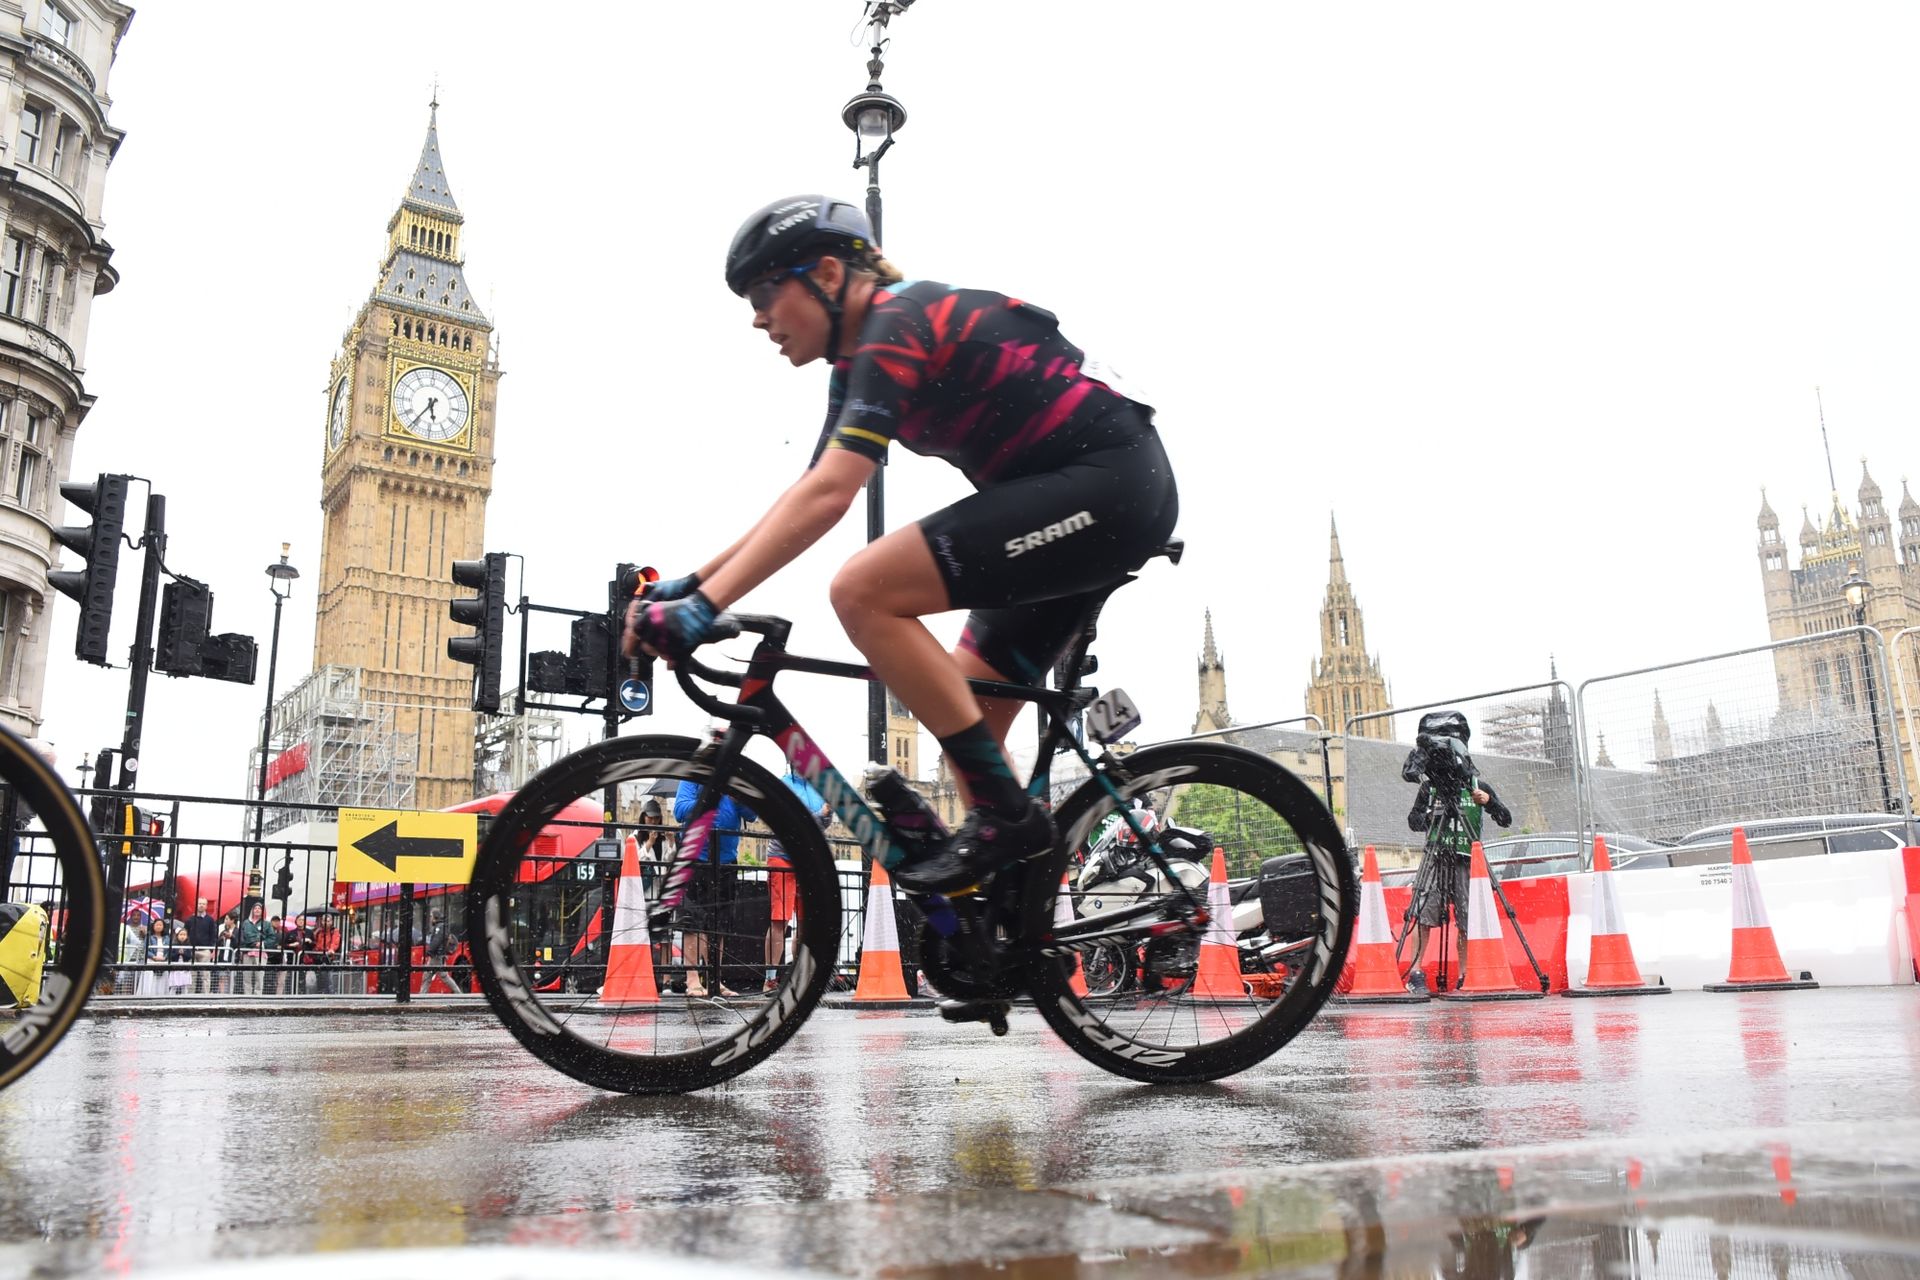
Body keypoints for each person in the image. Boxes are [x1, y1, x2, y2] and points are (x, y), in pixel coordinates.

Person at [626, 196, 1178, 895]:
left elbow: (833, 495)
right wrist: (691, 585)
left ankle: (1008, 823)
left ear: (828, 273)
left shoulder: (897, 320)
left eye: (766, 292)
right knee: (966, 731)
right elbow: (805, 492)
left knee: (863, 590)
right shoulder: (856, 361)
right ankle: (1022, 929)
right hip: (1077, 499)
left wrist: (703, 607)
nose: (757, 317)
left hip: (1109, 488)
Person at [1399, 711, 1512, 993]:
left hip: (1466, 861)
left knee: (1466, 919)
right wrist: (1432, 817)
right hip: (1437, 856)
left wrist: (1488, 802)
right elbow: (1414, 821)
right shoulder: (1430, 787)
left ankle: (1465, 975)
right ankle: (1415, 973)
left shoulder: (1477, 786)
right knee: (1423, 915)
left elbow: (1505, 819)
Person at [673, 744, 758, 999]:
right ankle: (692, 979)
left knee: (719, 925)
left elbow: (751, 814)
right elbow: (679, 810)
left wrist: (737, 797)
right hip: (696, 857)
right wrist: (709, 796)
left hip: (726, 859)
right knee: (692, 922)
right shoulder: (694, 777)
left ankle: (715, 979)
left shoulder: (734, 780)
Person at [765, 769, 830, 992]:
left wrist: (826, 814)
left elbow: (822, 824)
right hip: (782, 857)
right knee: (779, 920)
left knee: (805, 922)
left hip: (808, 860)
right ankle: (770, 978)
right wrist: (820, 814)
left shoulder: (816, 787)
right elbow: (791, 819)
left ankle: (799, 976)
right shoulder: (783, 782)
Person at [184, 897, 219, 995]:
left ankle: (205, 995)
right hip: (192, 950)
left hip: (205, 950)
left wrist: (210, 949)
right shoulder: (190, 919)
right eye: (200, 903)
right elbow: (185, 933)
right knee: (192, 975)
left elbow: (213, 935)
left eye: (203, 904)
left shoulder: (210, 920)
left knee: (205, 975)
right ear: (197, 904)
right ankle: (190, 995)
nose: (201, 905)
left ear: (206, 906)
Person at [236, 902, 271, 996]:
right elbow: (241, 937)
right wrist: (248, 944)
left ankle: (257, 996)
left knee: (259, 977)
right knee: (246, 976)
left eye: (259, 908)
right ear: (252, 910)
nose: (257, 910)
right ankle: (247, 996)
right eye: (255, 908)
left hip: (260, 954)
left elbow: (272, 938)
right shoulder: (246, 923)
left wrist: (262, 943)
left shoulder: (266, 924)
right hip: (247, 952)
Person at [164, 922, 193, 996]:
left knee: (185, 985)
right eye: (181, 934)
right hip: (175, 967)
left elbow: (190, 956)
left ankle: (185, 997)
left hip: (185, 967)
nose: (182, 936)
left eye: (184, 935)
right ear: (177, 936)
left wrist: (184, 953)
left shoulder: (188, 945)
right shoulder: (174, 945)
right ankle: (171, 997)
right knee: (174, 984)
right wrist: (178, 953)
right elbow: (171, 956)